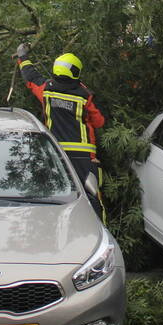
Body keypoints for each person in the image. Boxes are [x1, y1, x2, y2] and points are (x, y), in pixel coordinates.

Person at [15, 44, 106, 219]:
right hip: (84, 157)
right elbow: (99, 121)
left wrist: (23, 57)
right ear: (76, 71)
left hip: (54, 153)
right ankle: (100, 233)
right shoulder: (85, 95)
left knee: (54, 196)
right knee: (92, 197)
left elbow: (30, 77)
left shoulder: (46, 89)